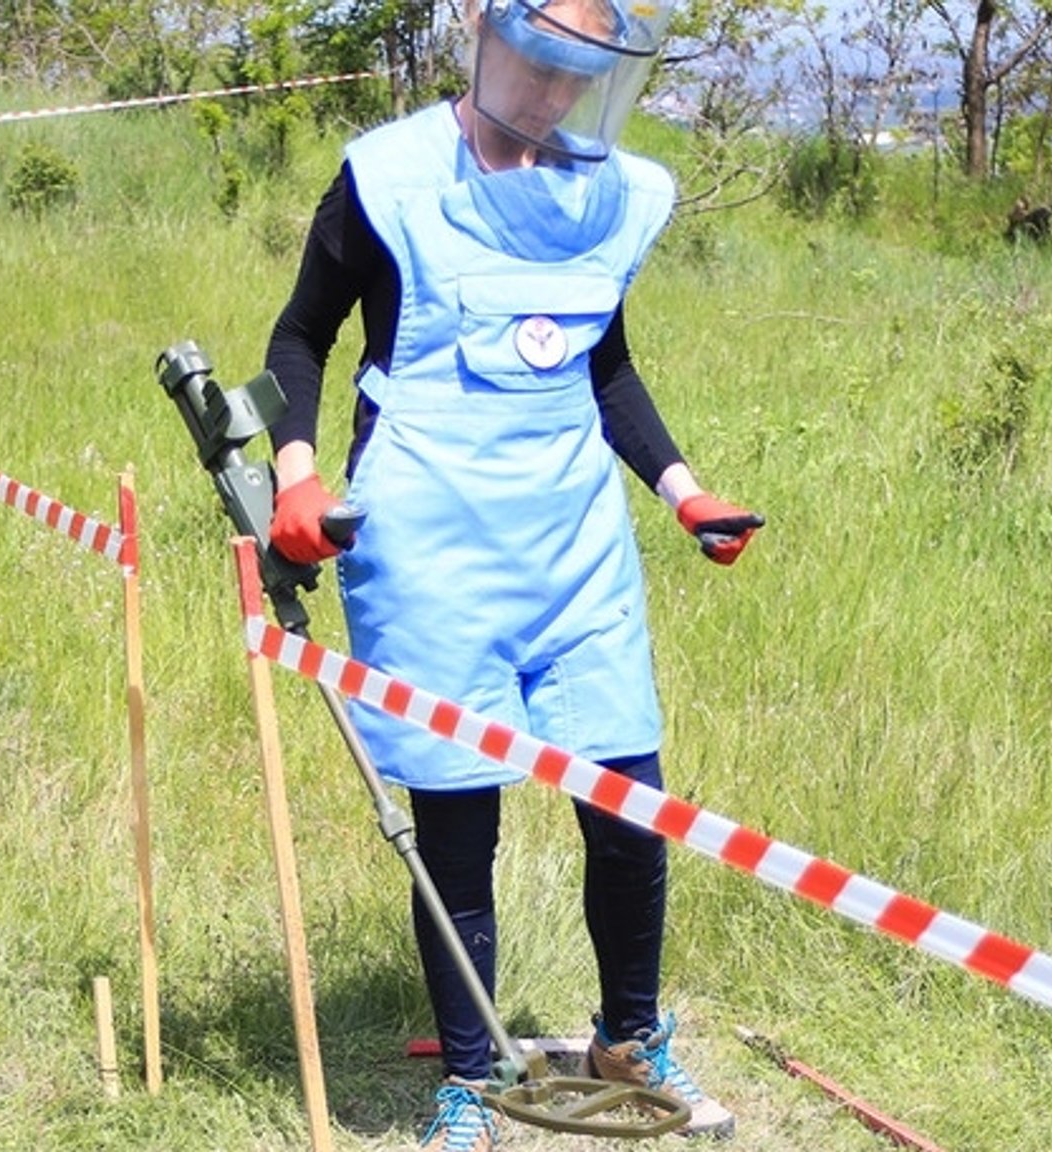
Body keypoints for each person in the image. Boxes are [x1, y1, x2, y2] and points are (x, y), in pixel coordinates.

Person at [260, 0, 761, 1146]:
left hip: (571, 544)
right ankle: (470, 1080)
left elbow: (605, 365)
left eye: (574, 72)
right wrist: (296, 477)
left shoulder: (607, 194)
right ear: (488, 41)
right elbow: (299, 338)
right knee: (457, 824)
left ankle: (629, 1041)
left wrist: (684, 491)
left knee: (628, 802)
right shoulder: (386, 178)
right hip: (428, 544)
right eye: (536, 62)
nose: (548, 91)